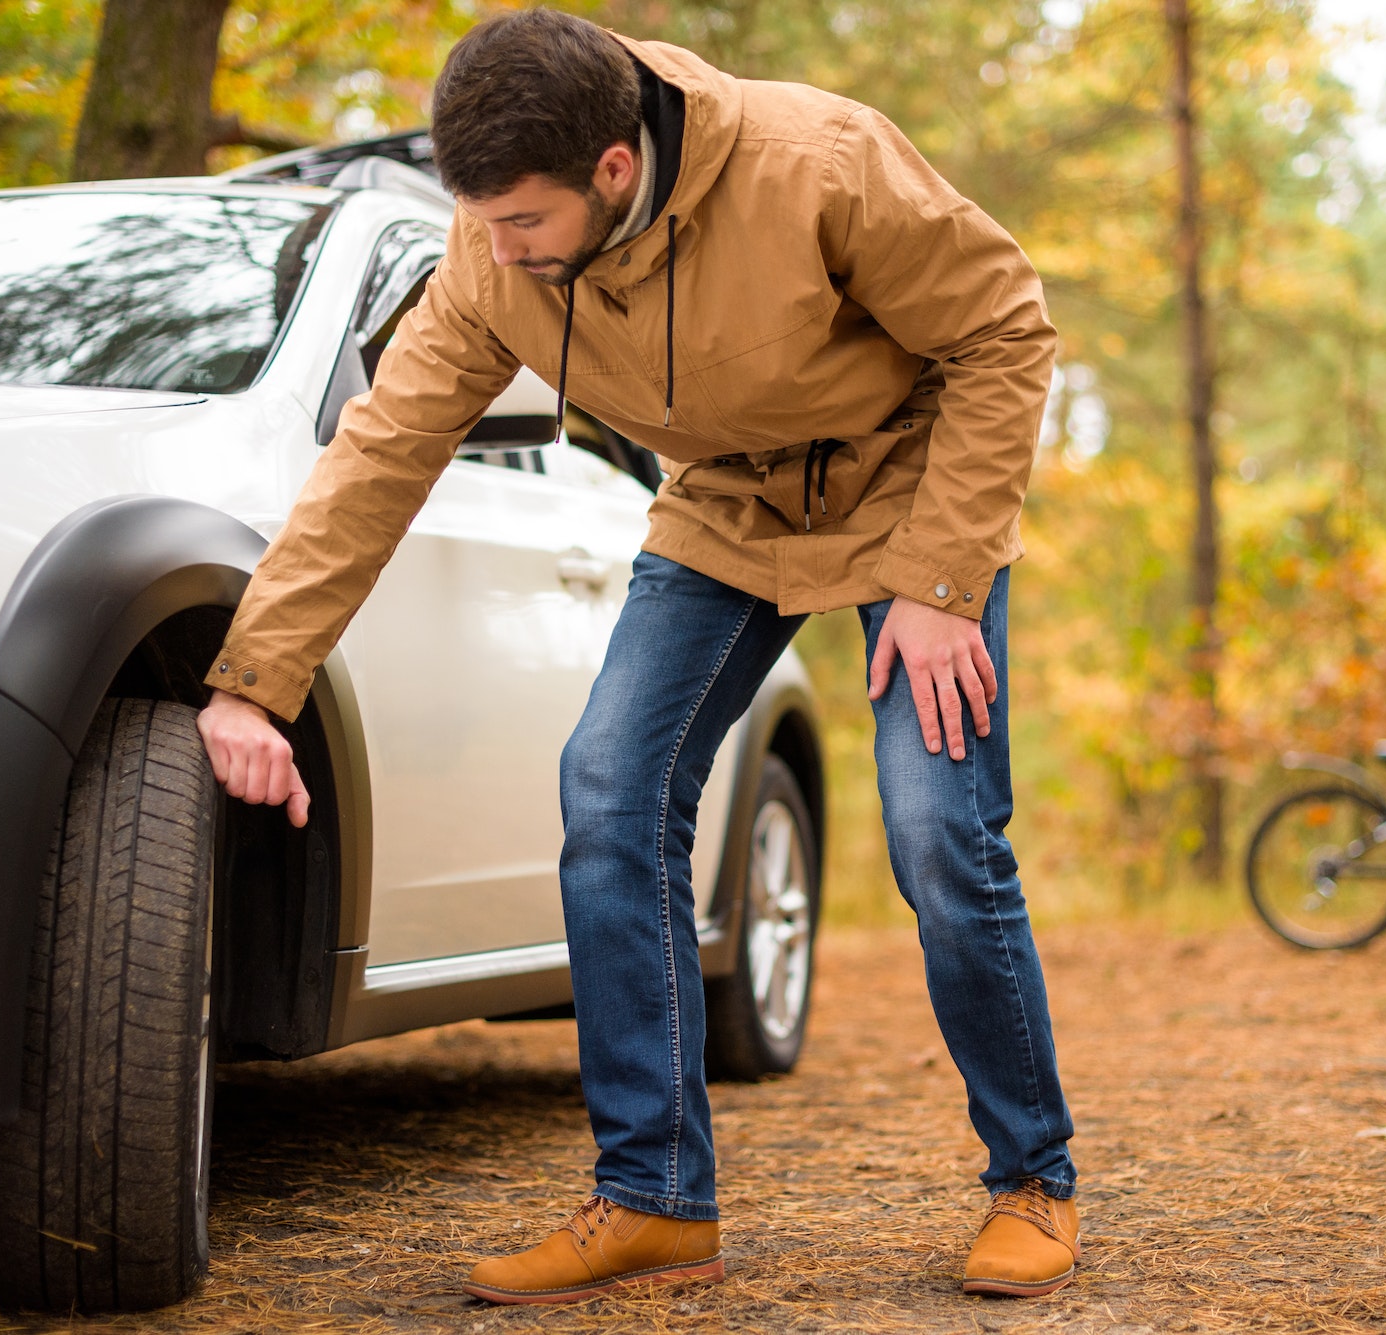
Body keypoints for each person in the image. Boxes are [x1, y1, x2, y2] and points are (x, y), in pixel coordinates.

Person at [195, 8, 1078, 1305]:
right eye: (482, 222)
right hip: (728, 506)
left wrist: (946, 581)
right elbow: (381, 453)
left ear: (615, 171)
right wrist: (254, 678)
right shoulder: (495, 249)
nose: (497, 252)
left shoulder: (817, 162)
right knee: (610, 787)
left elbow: (1005, 329)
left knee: (938, 828)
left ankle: (1033, 1177)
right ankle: (656, 1198)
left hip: (910, 494)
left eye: (522, 224)